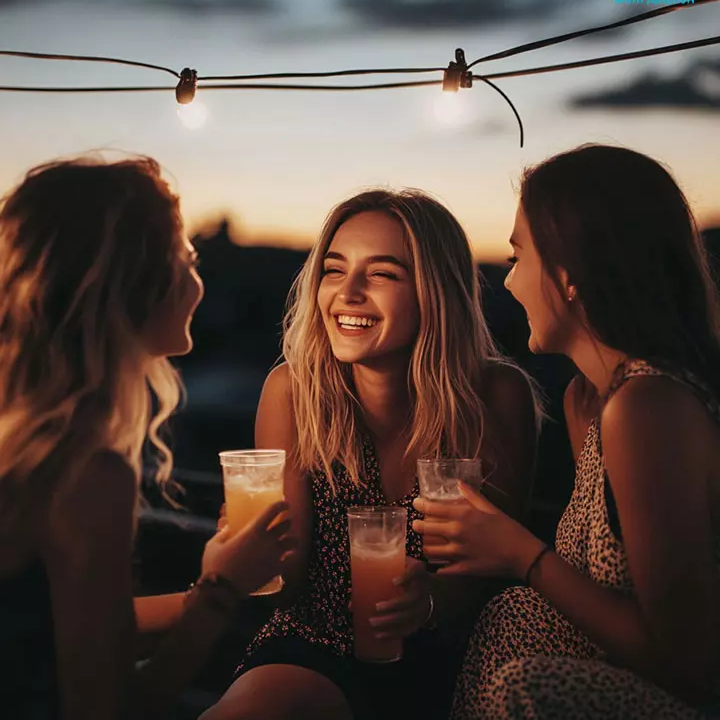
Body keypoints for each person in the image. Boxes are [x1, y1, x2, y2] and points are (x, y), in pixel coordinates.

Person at [201, 188, 543, 720]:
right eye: (334, 271)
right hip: (314, 644)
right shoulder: (293, 392)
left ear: (435, 291)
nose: (348, 292)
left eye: (381, 274)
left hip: (451, 658)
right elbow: (286, 587)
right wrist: (251, 559)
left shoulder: (496, 395)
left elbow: (493, 571)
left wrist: (428, 601)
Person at [413, 144, 720, 718]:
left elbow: (689, 663)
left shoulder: (649, 408)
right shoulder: (589, 402)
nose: (507, 284)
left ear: (567, 274)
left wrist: (519, 553)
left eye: (516, 257)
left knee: (526, 677)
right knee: (517, 617)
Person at [0, 157, 295, 720]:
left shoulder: (29, 440)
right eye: (187, 259)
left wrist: (217, 577)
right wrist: (221, 594)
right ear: (133, 281)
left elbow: (75, 619)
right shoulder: (89, 472)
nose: (198, 280)